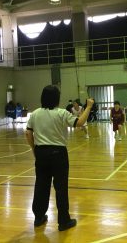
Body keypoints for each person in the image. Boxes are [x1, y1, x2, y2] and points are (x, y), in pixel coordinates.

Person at [25, 85, 94, 231]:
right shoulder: (62, 113)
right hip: (58, 154)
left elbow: (28, 134)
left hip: (41, 153)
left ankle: (38, 217)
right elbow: (80, 123)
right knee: (61, 188)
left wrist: (34, 149)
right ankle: (63, 221)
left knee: (41, 185)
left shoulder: (35, 114)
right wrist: (88, 107)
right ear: (57, 98)